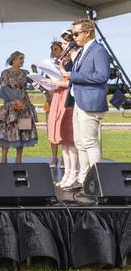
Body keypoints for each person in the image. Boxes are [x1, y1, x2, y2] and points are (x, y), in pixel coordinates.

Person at [63, 18, 110, 187]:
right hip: (79, 101)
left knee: (89, 142)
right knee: (79, 142)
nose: (73, 37)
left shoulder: (98, 51)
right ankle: (84, 179)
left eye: (76, 33)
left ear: (87, 32)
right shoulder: (83, 51)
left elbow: (102, 76)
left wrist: (73, 76)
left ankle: (96, 181)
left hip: (90, 102)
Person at [46, 32, 79, 188]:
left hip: (69, 99)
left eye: (64, 44)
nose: (62, 47)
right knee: (63, 141)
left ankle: (74, 173)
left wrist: (56, 82)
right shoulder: (64, 61)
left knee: (70, 138)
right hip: (59, 97)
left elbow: (73, 83)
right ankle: (67, 173)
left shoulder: (75, 61)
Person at [0, 51, 38, 163]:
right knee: (7, 129)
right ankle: (4, 158)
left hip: (24, 105)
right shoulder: (5, 73)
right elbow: (4, 88)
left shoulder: (25, 73)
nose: (22, 61)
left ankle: (18, 159)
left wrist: (34, 72)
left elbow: (34, 84)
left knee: (23, 130)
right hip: (11, 105)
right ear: (13, 59)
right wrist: (14, 101)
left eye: (23, 59)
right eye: (20, 58)